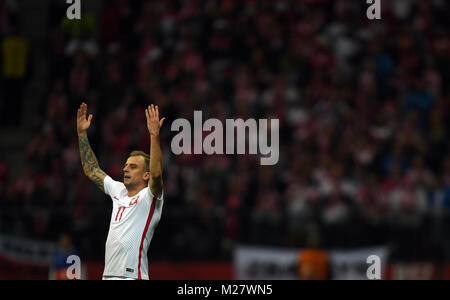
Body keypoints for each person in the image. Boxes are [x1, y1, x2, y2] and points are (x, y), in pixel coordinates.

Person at [76, 102, 165, 280]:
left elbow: (157, 174)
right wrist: (82, 134)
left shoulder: (150, 197)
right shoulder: (118, 190)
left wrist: (154, 136)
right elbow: (92, 170)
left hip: (132, 277)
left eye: (132, 167)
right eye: (125, 166)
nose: (125, 169)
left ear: (145, 175)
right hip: (108, 276)